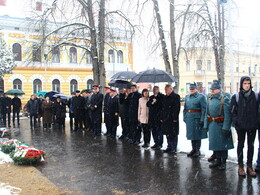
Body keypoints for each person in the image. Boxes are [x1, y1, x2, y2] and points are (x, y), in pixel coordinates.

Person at [230, 76, 258, 177]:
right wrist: (236, 121)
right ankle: (240, 166)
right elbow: (232, 112)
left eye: (248, 84)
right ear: (241, 85)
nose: (247, 86)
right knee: (240, 145)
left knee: (251, 146)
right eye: (245, 84)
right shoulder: (236, 97)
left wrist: (256, 122)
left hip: (252, 126)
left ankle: (249, 166)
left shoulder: (256, 96)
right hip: (241, 126)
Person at [204, 80, 234, 170]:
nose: (212, 91)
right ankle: (217, 160)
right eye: (212, 89)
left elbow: (228, 115)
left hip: (221, 124)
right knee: (215, 144)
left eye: (214, 89)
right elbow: (207, 112)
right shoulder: (210, 99)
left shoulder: (224, 99)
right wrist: (206, 125)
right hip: (212, 125)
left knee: (223, 145)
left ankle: (223, 162)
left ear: (219, 89)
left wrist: (226, 127)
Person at [184, 83, 207, 157]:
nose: (191, 90)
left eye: (193, 89)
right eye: (190, 89)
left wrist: (202, 119)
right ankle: (193, 149)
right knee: (191, 135)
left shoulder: (201, 97)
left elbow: (204, 109)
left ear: (196, 89)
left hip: (197, 118)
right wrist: (185, 117)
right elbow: (185, 108)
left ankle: (197, 150)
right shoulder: (187, 97)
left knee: (197, 135)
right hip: (189, 118)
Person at [160, 84, 180, 154]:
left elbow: (176, 108)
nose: (165, 91)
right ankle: (169, 146)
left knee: (173, 133)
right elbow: (163, 108)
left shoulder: (175, 96)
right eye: (165, 89)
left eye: (166, 89)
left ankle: (174, 147)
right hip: (166, 118)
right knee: (167, 133)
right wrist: (162, 117)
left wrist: (175, 117)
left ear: (171, 89)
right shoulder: (165, 97)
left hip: (172, 118)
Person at [147, 86, 165, 150]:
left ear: (158, 90)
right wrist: (152, 102)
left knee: (159, 131)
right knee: (154, 131)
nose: (155, 90)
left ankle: (160, 144)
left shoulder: (162, 96)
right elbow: (148, 104)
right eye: (154, 89)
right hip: (152, 117)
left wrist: (156, 102)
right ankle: (156, 142)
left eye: (156, 89)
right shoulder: (151, 97)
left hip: (158, 116)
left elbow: (162, 106)